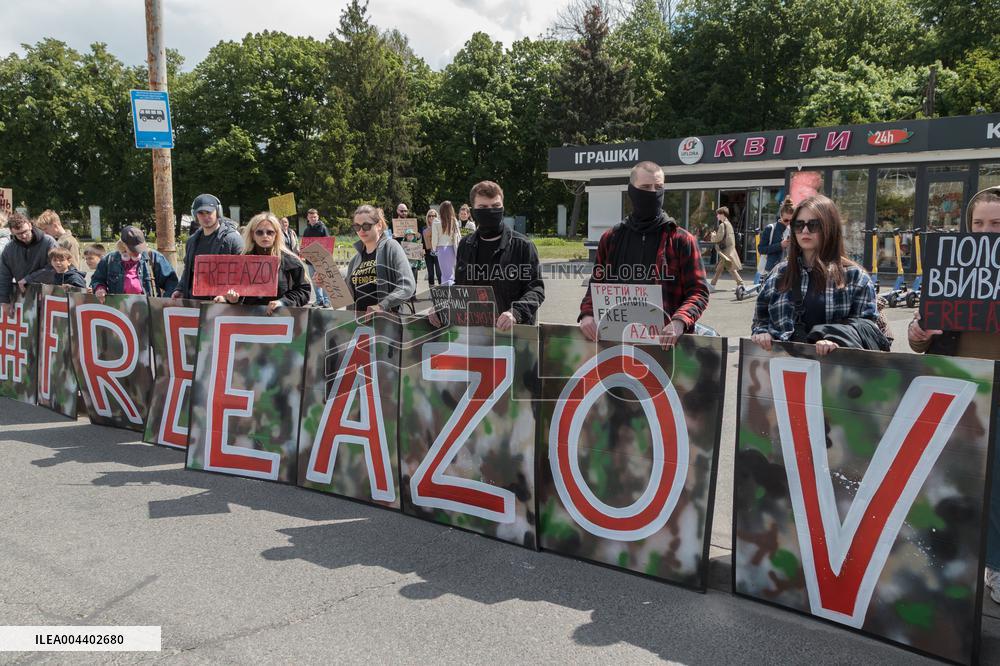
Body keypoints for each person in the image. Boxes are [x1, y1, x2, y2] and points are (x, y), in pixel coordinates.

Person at [907, 186, 1000, 602]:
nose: (984, 232)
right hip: (959, 389)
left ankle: (994, 567)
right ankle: (957, 562)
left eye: (996, 224)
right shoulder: (949, 267)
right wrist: (917, 332)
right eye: (978, 223)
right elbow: (920, 336)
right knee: (957, 481)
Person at [579, 161, 709, 347]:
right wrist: (587, 313)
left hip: (667, 344)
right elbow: (596, 284)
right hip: (615, 341)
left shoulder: (682, 240)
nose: (653, 193)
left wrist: (680, 321)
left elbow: (699, 291)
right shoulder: (610, 238)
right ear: (632, 191)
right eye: (646, 187)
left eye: (659, 187)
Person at [750, 194, 887, 355]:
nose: (805, 230)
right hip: (785, 370)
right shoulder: (779, 273)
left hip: (837, 373)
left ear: (829, 227)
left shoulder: (855, 277)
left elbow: (866, 326)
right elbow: (760, 317)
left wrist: (837, 340)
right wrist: (761, 332)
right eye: (798, 225)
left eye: (813, 225)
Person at [439, 180, 544, 329]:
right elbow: (460, 289)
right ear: (473, 210)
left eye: (495, 206)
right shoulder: (465, 245)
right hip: (473, 332)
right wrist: (442, 309)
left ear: (502, 207)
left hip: (512, 333)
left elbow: (536, 289)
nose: (490, 211)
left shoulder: (523, 246)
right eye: (483, 207)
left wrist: (516, 312)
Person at [213, 212, 310, 314]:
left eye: (270, 232)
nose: (265, 236)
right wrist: (229, 298)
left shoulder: (291, 261)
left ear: (276, 234)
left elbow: (303, 291)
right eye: (259, 232)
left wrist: (283, 302)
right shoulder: (241, 260)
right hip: (248, 322)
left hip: (280, 321)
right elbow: (236, 291)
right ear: (252, 234)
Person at [346, 205, 415, 314]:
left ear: (379, 225)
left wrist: (382, 305)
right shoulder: (355, 259)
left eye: (366, 226)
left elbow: (407, 286)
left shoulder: (391, 247)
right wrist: (328, 284)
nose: (361, 230)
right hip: (359, 325)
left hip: (386, 323)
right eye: (357, 227)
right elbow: (347, 297)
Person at [172, 194, 243, 300]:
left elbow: (242, 274)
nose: (205, 217)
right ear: (195, 215)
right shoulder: (192, 241)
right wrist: (180, 289)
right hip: (193, 303)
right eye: (201, 213)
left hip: (221, 305)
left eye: (209, 212)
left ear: (218, 212)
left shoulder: (233, 239)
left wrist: (226, 296)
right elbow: (188, 269)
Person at [91, 226, 178, 301]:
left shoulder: (153, 257)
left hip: (148, 310)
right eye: (133, 249)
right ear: (123, 244)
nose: (137, 252)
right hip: (119, 309)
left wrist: (164, 301)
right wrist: (100, 288)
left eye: (139, 248)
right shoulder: (110, 259)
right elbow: (97, 279)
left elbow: (171, 281)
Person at [0, 213, 57, 315]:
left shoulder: (48, 242)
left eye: (25, 231)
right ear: (12, 232)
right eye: (18, 234)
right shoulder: (9, 249)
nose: (23, 236)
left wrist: (28, 279)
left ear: (30, 225)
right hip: (25, 299)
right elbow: (4, 276)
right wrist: (4, 301)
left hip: (48, 296)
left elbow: (54, 268)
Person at [709, 206, 744, 290]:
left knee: (730, 268)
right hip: (729, 249)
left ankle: (741, 284)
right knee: (720, 269)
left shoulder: (722, 225)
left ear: (722, 215)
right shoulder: (728, 224)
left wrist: (713, 236)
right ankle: (712, 284)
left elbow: (719, 238)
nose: (717, 216)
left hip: (726, 251)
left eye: (718, 214)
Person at [301, 208, 330, 307]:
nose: (313, 219)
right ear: (308, 218)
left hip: (321, 260)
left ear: (317, 217)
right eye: (311, 217)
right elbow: (304, 245)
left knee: (324, 280)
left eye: (314, 217)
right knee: (315, 281)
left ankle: (327, 300)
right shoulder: (306, 230)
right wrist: (303, 254)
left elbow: (327, 244)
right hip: (310, 260)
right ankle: (319, 300)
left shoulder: (323, 228)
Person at [759, 196, 794, 273]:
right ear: (781, 216)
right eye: (786, 220)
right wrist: (780, 245)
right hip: (771, 270)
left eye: (792, 221)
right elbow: (761, 249)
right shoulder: (771, 228)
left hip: (789, 269)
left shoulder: (793, 230)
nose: (788, 223)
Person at [433, 201, 462, 285]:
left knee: (445, 275)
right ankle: (452, 294)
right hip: (452, 249)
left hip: (442, 249)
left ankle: (446, 295)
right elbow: (457, 236)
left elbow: (435, 238)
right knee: (451, 274)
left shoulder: (436, 221)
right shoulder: (454, 220)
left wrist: (434, 249)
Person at [421, 211, 439, 287]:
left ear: (436, 216)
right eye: (429, 216)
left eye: (433, 215)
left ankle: (442, 291)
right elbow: (422, 241)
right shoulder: (424, 228)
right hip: (428, 253)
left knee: (439, 273)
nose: (431, 217)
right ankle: (432, 291)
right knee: (430, 274)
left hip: (438, 253)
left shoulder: (439, 227)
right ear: (427, 217)